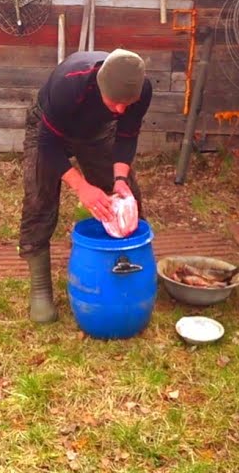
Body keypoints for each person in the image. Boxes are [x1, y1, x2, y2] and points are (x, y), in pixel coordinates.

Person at [19, 48, 152, 323]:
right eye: (115, 102)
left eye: (128, 103)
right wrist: (81, 187)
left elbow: (126, 134)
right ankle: (41, 288)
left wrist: (119, 180)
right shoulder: (71, 83)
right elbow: (47, 144)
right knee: (38, 198)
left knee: (130, 198)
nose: (121, 109)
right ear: (101, 85)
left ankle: (130, 271)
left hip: (96, 131)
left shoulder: (141, 90)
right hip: (48, 129)